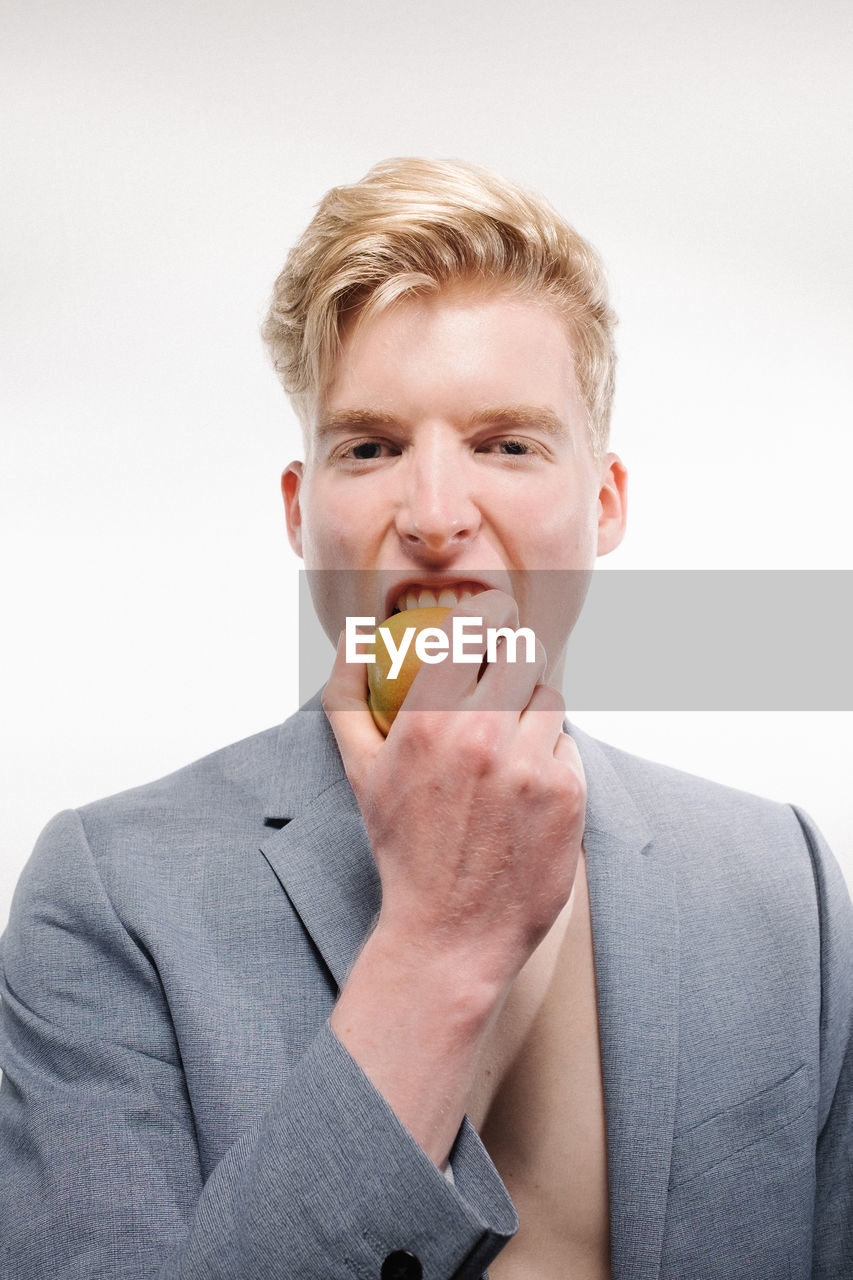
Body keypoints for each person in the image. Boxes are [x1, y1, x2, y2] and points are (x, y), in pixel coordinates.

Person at [1, 158, 850, 1280]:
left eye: (507, 443)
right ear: (305, 513)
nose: (437, 517)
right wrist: (435, 951)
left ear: (603, 504)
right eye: (371, 446)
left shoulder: (780, 879)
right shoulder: (106, 894)